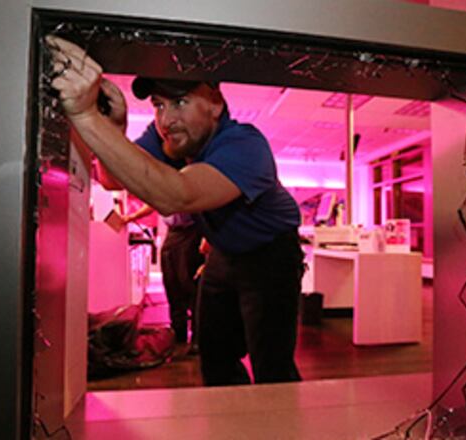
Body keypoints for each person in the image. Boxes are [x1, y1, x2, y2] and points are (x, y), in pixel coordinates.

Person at [46, 36, 304, 386]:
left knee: (272, 367)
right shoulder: (169, 135)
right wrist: (114, 129)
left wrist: (86, 114)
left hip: (271, 255)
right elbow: (110, 180)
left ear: (215, 103)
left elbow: (176, 196)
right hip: (223, 254)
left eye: (180, 102)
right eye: (158, 104)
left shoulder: (245, 144)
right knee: (215, 358)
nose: (166, 119)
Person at [123, 205, 204, 349]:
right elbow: (153, 203)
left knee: (190, 286)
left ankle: (198, 339)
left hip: (191, 232)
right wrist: (131, 217)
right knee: (172, 285)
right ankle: (179, 336)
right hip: (173, 233)